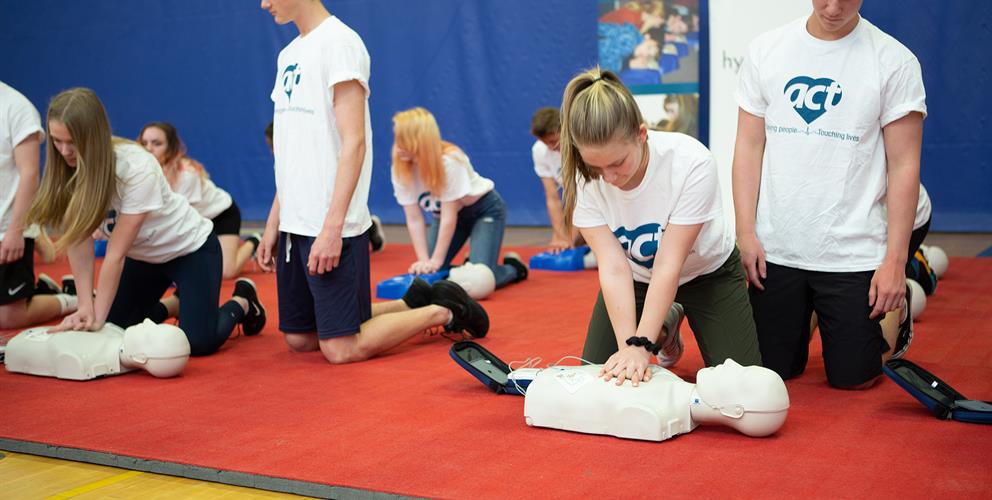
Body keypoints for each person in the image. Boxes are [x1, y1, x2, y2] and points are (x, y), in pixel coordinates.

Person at [258, 0, 489, 363]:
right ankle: (409, 302)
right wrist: (274, 223)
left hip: (330, 220)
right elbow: (290, 152)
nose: (264, 4)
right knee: (301, 338)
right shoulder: (288, 53)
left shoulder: (341, 43)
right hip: (294, 223)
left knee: (339, 348)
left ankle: (443, 311)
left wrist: (333, 227)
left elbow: (355, 143)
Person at [732, 0, 925, 388]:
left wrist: (894, 262)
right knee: (770, 372)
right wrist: (746, 234)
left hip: (852, 250)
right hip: (779, 248)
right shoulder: (766, 50)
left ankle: (895, 312)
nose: (833, 8)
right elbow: (749, 146)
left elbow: (903, 165)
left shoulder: (894, 61)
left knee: (855, 378)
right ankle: (814, 310)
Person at [560, 68, 763, 387]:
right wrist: (630, 348)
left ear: (641, 134)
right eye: (596, 167)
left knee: (743, 389)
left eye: (617, 163)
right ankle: (664, 328)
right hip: (637, 278)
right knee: (601, 379)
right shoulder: (583, 179)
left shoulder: (690, 162)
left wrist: (640, 346)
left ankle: (665, 317)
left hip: (707, 274)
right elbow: (613, 267)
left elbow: (669, 264)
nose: (609, 177)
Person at [26, 88, 266, 356]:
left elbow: (115, 254)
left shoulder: (136, 167)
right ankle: (174, 305)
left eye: (72, 142)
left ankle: (243, 301)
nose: (64, 151)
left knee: (197, 343)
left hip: (190, 251)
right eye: (57, 142)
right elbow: (78, 238)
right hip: (144, 259)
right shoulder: (68, 169)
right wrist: (85, 307)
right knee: (119, 328)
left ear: (93, 135)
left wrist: (97, 322)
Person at [390, 107, 527, 288]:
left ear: (419, 140)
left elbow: (449, 217)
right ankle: (471, 263)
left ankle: (514, 268)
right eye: (397, 139)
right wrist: (424, 261)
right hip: (447, 217)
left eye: (403, 140)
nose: (398, 146)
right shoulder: (400, 169)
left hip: (484, 210)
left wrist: (436, 261)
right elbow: (414, 219)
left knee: (480, 278)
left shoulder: (449, 161)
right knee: (433, 270)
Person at [522, 359, 789, 442]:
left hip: (547, 389)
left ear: (734, 410)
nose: (730, 363)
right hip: (552, 380)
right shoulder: (669, 381)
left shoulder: (655, 414)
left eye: (740, 375)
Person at [138, 122, 260, 280]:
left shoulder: (187, 174)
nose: (149, 148)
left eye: (157, 143)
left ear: (171, 147)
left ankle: (254, 241)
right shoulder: (143, 172)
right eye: (144, 143)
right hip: (195, 220)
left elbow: (182, 222)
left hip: (221, 215)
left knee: (227, 272)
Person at [0, 81, 77, 330]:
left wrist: (15, 231)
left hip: (8, 230)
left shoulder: (16, 107)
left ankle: (71, 299)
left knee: (9, 318)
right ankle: (39, 290)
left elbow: (30, 174)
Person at [5, 319, 190, 380]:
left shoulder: (82, 360)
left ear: (141, 358)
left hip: (22, 344)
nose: (147, 321)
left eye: (150, 332)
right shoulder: (115, 330)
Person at [530, 107, 584, 253]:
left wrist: (570, 236)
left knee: (576, 238)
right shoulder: (539, 150)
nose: (550, 147)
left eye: (553, 141)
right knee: (559, 241)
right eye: (544, 142)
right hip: (578, 201)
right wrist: (561, 236)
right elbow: (552, 197)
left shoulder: (580, 144)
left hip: (597, 200)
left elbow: (584, 196)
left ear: (564, 129)